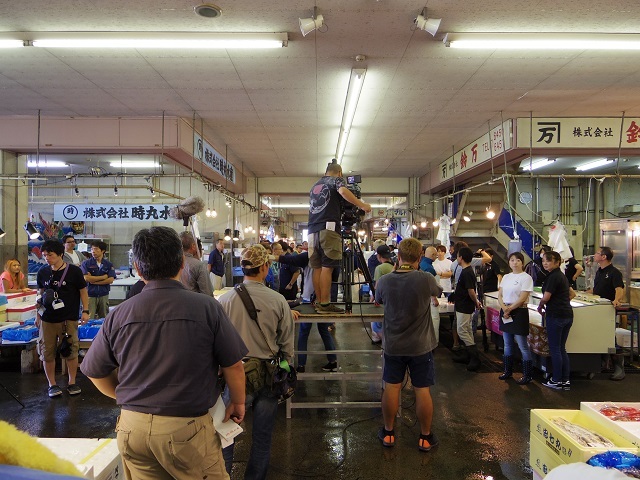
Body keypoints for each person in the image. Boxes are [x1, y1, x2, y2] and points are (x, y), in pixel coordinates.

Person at [81, 226, 247, 480]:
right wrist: (238, 401)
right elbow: (234, 365)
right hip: (186, 429)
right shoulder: (206, 308)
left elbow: (94, 370)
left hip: (131, 429)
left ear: (137, 267)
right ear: (182, 262)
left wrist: (129, 398)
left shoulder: (120, 313)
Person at [218, 244, 296, 480]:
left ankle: (223, 476)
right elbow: (287, 346)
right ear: (265, 267)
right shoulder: (278, 300)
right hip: (268, 375)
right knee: (262, 437)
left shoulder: (225, 300)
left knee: (226, 435)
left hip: (236, 375)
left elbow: (218, 342)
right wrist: (286, 371)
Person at [374, 237, 442, 452]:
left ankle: (389, 433)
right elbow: (438, 292)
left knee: (392, 387)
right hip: (421, 346)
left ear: (399, 256)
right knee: (422, 390)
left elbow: (378, 300)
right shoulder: (426, 278)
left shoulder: (385, 280)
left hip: (394, 344)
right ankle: (425, 437)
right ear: (420, 257)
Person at [307, 161, 371, 314]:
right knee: (327, 267)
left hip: (312, 230)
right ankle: (325, 304)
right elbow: (342, 192)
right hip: (328, 229)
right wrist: (362, 205)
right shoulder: (336, 180)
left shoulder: (315, 185)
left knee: (317, 267)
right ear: (340, 173)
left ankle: (318, 302)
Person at [36, 240, 90, 398]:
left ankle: (72, 382)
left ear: (60, 254)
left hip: (69, 319)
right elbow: (40, 295)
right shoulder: (42, 272)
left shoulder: (74, 271)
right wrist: (37, 315)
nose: (47, 258)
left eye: (50, 255)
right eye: (45, 255)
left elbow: (83, 291)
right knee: (47, 352)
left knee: (71, 351)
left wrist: (85, 310)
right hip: (47, 319)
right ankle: (52, 384)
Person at [537, 250, 576, 391]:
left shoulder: (553, 277)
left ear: (557, 262)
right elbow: (572, 293)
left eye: (549, 260)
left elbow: (546, 297)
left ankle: (556, 380)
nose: (545, 263)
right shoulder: (562, 276)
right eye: (543, 261)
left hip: (556, 316)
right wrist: (561, 301)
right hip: (567, 315)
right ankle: (565, 380)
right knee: (561, 348)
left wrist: (541, 306)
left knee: (555, 349)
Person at [587, 246, 625, 380]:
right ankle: (601, 364)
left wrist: (616, 300)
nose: (595, 255)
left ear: (604, 257)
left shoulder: (614, 272)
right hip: (596, 309)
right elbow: (597, 289)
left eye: (597, 253)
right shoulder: (599, 271)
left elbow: (619, 288)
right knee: (597, 336)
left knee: (609, 337)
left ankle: (619, 368)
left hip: (607, 310)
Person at [497, 252, 534, 384]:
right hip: (505, 311)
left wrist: (510, 309)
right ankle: (507, 371)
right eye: (512, 260)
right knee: (507, 344)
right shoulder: (506, 277)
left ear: (522, 263)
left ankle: (527, 375)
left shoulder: (526, 278)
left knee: (522, 345)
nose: (515, 262)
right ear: (509, 262)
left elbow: (523, 298)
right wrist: (504, 308)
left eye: (518, 260)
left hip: (519, 311)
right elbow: (499, 295)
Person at [452, 246, 483, 372]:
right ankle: (467, 355)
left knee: (462, 330)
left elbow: (471, 291)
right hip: (462, 305)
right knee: (467, 330)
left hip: (465, 306)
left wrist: (476, 302)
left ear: (462, 258)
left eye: (458, 256)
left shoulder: (467, 272)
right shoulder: (466, 270)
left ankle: (475, 357)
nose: (457, 258)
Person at [80, 240, 116, 320]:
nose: (93, 251)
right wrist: (103, 277)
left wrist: (94, 281)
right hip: (90, 295)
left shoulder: (108, 264)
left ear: (103, 251)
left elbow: (110, 280)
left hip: (103, 294)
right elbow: (86, 278)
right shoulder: (86, 263)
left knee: (105, 318)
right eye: (92, 249)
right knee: (89, 318)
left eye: (96, 249)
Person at [370, 244, 396, 343]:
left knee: (377, 324)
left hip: (382, 300)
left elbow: (377, 287)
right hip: (394, 300)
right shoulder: (395, 266)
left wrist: (371, 300)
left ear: (379, 256)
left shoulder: (379, 268)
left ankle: (382, 342)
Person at [179, 231, 214, 296]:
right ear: (193, 246)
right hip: (193, 304)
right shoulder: (199, 265)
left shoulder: (171, 264)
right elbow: (207, 294)